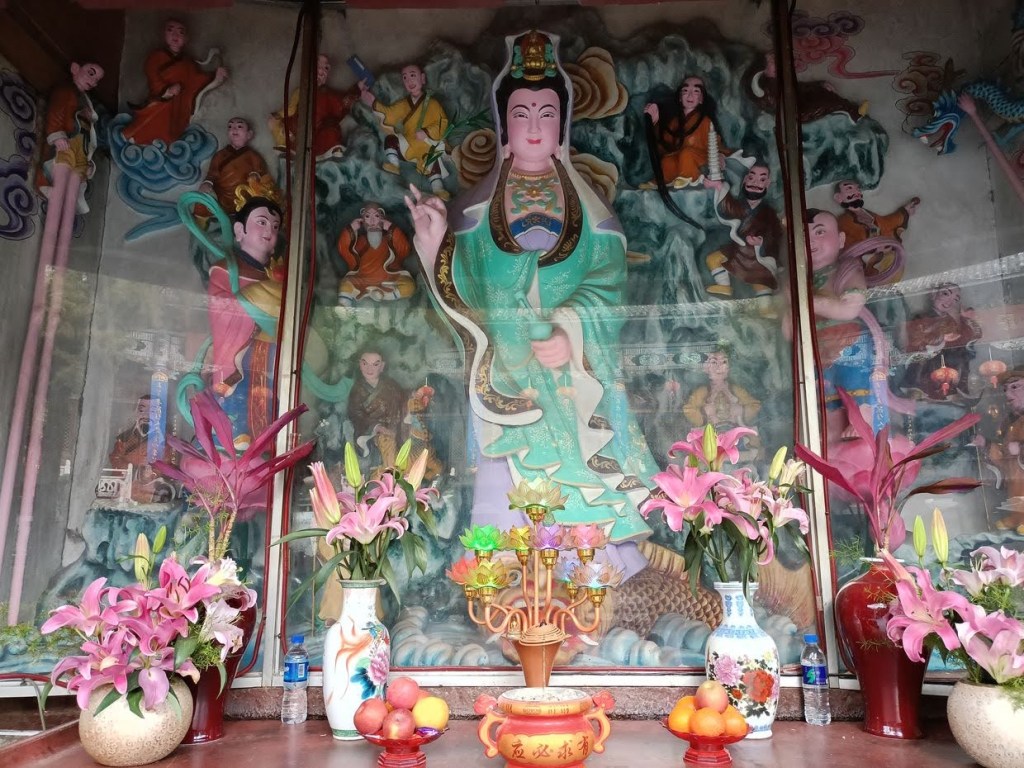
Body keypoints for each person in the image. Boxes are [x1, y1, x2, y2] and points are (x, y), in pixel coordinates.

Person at [405, 29, 661, 574]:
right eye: (522, 114)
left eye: (547, 113)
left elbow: (610, 283)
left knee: (585, 472)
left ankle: (595, 573)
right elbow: (464, 289)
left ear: (562, 125)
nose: (535, 126)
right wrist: (433, 244)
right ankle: (502, 576)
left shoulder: (592, 214)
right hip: (505, 373)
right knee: (503, 475)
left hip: (570, 375)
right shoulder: (474, 214)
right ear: (505, 126)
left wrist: (571, 329)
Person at [207, 196, 283, 447]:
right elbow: (221, 310)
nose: (269, 230)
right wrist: (253, 302)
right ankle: (233, 433)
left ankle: (263, 438)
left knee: (268, 391)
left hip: (269, 353)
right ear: (240, 230)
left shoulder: (277, 276)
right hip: (240, 349)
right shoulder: (225, 270)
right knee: (238, 388)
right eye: (262, 222)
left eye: (275, 226)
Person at [805, 208, 885, 439]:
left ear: (841, 239)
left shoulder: (847, 267)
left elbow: (850, 307)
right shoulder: (801, 279)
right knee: (825, 391)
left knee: (854, 381)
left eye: (820, 232)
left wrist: (808, 303)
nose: (810, 240)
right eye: (803, 236)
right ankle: (830, 432)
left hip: (850, 340)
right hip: (817, 348)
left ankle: (862, 422)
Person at [37, 62, 103, 265]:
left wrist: (90, 163)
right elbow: (56, 112)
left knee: (79, 174)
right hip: (68, 141)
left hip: (82, 144)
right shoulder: (66, 92)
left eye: (97, 80)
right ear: (75, 68)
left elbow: (90, 135)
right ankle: (50, 188)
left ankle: (70, 200)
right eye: (91, 73)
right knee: (62, 165)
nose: (93, 81)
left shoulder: (87, 104)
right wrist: (57, 135)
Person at [124, 18, 227, 146]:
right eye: (170, 30)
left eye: (180, 32)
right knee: (153, 116)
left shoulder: (188, 63)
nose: (175, 35)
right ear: (163, 34)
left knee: (171, 133)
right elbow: (152, 74)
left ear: (186, 39)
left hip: (178, 104)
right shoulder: (156, 56)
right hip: (161, 99)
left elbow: (197, 79)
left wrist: (215, 76)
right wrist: (166, 90)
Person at [359, 63, 450, 199]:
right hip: (408, 144)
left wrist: (427, 132)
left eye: (413, 75)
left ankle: (438, 188)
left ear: (422, 78)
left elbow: (443, 122)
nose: (409, 81)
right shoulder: (404, 104)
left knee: (432, 160)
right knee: (391, 139)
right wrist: (372, 101)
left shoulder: (433, 104)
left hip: (427, 143)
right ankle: (394, 165)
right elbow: (389, 114)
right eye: (405, 78)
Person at [703, 163, 783, 297]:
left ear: (767, 184)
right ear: (745, 179)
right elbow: (729, 208)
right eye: (751, 178)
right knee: (713, 259)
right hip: (738, 250)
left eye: (762, 179)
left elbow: (775, 234)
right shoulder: (741, 206)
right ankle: (724, 285)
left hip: (756, 255)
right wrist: (719, 186)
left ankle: (765, 303)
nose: (755, 183)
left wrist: (760, 242)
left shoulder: (769, 213)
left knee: (761, 282)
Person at [900, 283, 982, 400]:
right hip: (929, 356)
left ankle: (960, 387)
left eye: (955, 299)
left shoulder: (949, 320)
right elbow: (916, 338)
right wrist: (940, 337)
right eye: (945, 294)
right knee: (923, 359)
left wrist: (966, 321)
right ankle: (916, 388)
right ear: (933, 294)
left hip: (946, 357)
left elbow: (961, 337)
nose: (950, 302)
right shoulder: (921, 317)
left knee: (963, 355)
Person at [269, 53, 358, 160]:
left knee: (331, 131)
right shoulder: (301, 91)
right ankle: (291, 149)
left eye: (326, 68)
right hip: (301, 127)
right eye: (318, 66)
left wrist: (357, 88)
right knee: (285, 127)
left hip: (320, 129)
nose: (321, 71)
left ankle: (328, 151)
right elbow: (291, 109)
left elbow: (342, 102)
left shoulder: (327, 93)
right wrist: (278, 115)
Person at [643, 76, 728, 188]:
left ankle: (689, 177)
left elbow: (715, 142)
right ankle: (664, 181)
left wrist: (720, 154)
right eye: (685, 90)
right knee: (667, 161)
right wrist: (655, 123)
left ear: (701, 98)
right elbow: (665, 143)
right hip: (681, 159)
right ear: (679, 97)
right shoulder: (675, 121)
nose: (690, 95)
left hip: (700, 158)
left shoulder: (705, 121)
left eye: (696, 91)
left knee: (686, 154)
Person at [833, 180, 920, 283]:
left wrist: (905, 212)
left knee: (892, 260)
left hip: (887, 258)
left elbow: (887, 223)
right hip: (866, 263)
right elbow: (847, 246)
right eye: (849, 188)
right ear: (838, 197)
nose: (856, 192)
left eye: (858, 188)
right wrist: (873, 247)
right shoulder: (843, 221)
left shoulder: (869, 214)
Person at [746, 52, 867, 124]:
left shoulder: (780, 81)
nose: (778, 65)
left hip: (798, 102)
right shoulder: (767, 87)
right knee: (825, 103)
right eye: (772, 62)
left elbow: (798, 87)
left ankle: (851, 109)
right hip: (795, 113)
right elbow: (776, 104)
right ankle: (854, 113)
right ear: (764, 69)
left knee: (823, 93)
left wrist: (818, 84)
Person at [683, 349, 761, 460]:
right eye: (714, 362)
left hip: (736, 440)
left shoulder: (736, 390)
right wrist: (704, 412)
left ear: (729, 367)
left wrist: (741, 410)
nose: (719, 367)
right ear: (706, 368)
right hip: (711, 440)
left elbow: (755, 405)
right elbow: (688, 409)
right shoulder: (701, 392)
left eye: (724, 362)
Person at [195, 117, 271, 225]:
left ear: (249, 134)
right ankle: (200, 227)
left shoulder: (253, 156)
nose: (234, 129)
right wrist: (207, 183)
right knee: (202, 201)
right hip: (221, 194)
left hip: (243, 197)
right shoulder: (220, 155)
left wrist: (255, 176)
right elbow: (212, 174)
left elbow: (261, 173)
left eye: (239, 126)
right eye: (230, 126)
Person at [336, 202, 416, 302]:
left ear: (383, 219)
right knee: (345, 284)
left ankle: (384, 295)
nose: (372, 221)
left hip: (389, 278)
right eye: (367, 216)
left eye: (377, 216)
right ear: (362, 221)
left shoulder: (389, 240)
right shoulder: (360, 242)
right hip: (363, 279)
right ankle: (344, 307)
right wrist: (350, 230)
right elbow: (344, 249)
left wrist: (392, 229)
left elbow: (404, 249)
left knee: (409, 285)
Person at [108, 395, 176, 504]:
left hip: (151, 485)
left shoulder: (167, 441)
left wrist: (151, 472)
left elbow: (170, 464)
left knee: (162, 491)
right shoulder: (124, 438)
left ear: (160, 414)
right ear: (136, 412)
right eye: (141, 410)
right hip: (127, 482)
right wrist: (132, 468)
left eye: (152, 411)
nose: (146, 415)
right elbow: (115, 458)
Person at [347, 349, 407, 469]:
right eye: (365, 363)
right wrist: (377, 427)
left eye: (375, 364)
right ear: (360, 364)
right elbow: (355, 414)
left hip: (394, 427)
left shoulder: (391, 386)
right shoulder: (357, 390)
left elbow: (403, 403)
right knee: (386, 443)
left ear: (382, 366)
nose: (370, 369)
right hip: (368, 431)